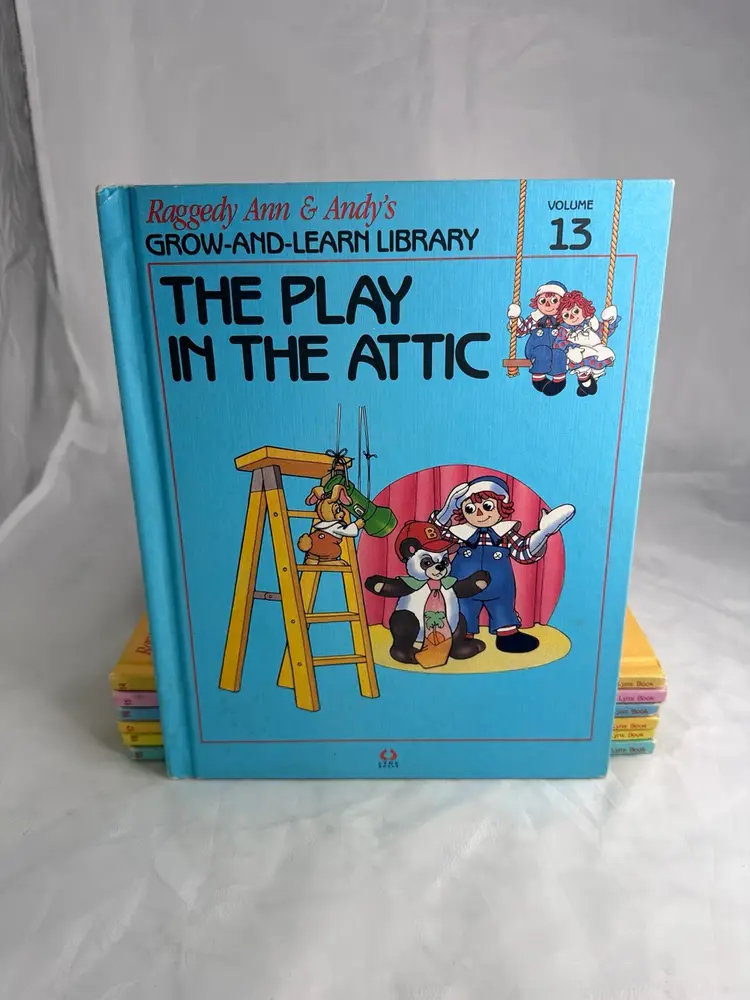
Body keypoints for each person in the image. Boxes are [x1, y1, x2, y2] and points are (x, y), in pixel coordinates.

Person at [432, 477, 575, 653]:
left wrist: (543, 533)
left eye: (487, 506)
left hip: (499, 588)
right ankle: (462, 637)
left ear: (502, 507)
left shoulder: (505, 534)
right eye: (470, 508)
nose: (479, 513)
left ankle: (507, 635)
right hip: (463, 587)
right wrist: (446, 512)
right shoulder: (459, 533)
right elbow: (434, 537)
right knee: (463, 611)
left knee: (503, 609)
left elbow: (524, 553)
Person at [507, 280, 569, 396]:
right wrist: (514, 319)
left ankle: (559, 380)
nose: (548, 305)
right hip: (536, 350)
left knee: (559, 354)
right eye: (543, 301)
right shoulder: (534, 319)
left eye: (554, 301)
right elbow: (520, 331)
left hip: (557, 351)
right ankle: (539, 378)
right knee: (543, 351)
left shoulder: (565, 319)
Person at [556, 290, 619, 396]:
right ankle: (585, 381)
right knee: (582, 367)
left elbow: (605, 331)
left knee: (599, 360)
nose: (571, 317)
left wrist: (611, 320)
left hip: (596, 350)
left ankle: (594, 379)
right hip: (579, 352)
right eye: (566, 315)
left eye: (575, 311)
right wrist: (570, 348)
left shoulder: (591, 324)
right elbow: (559, 343)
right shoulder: (565, 330)